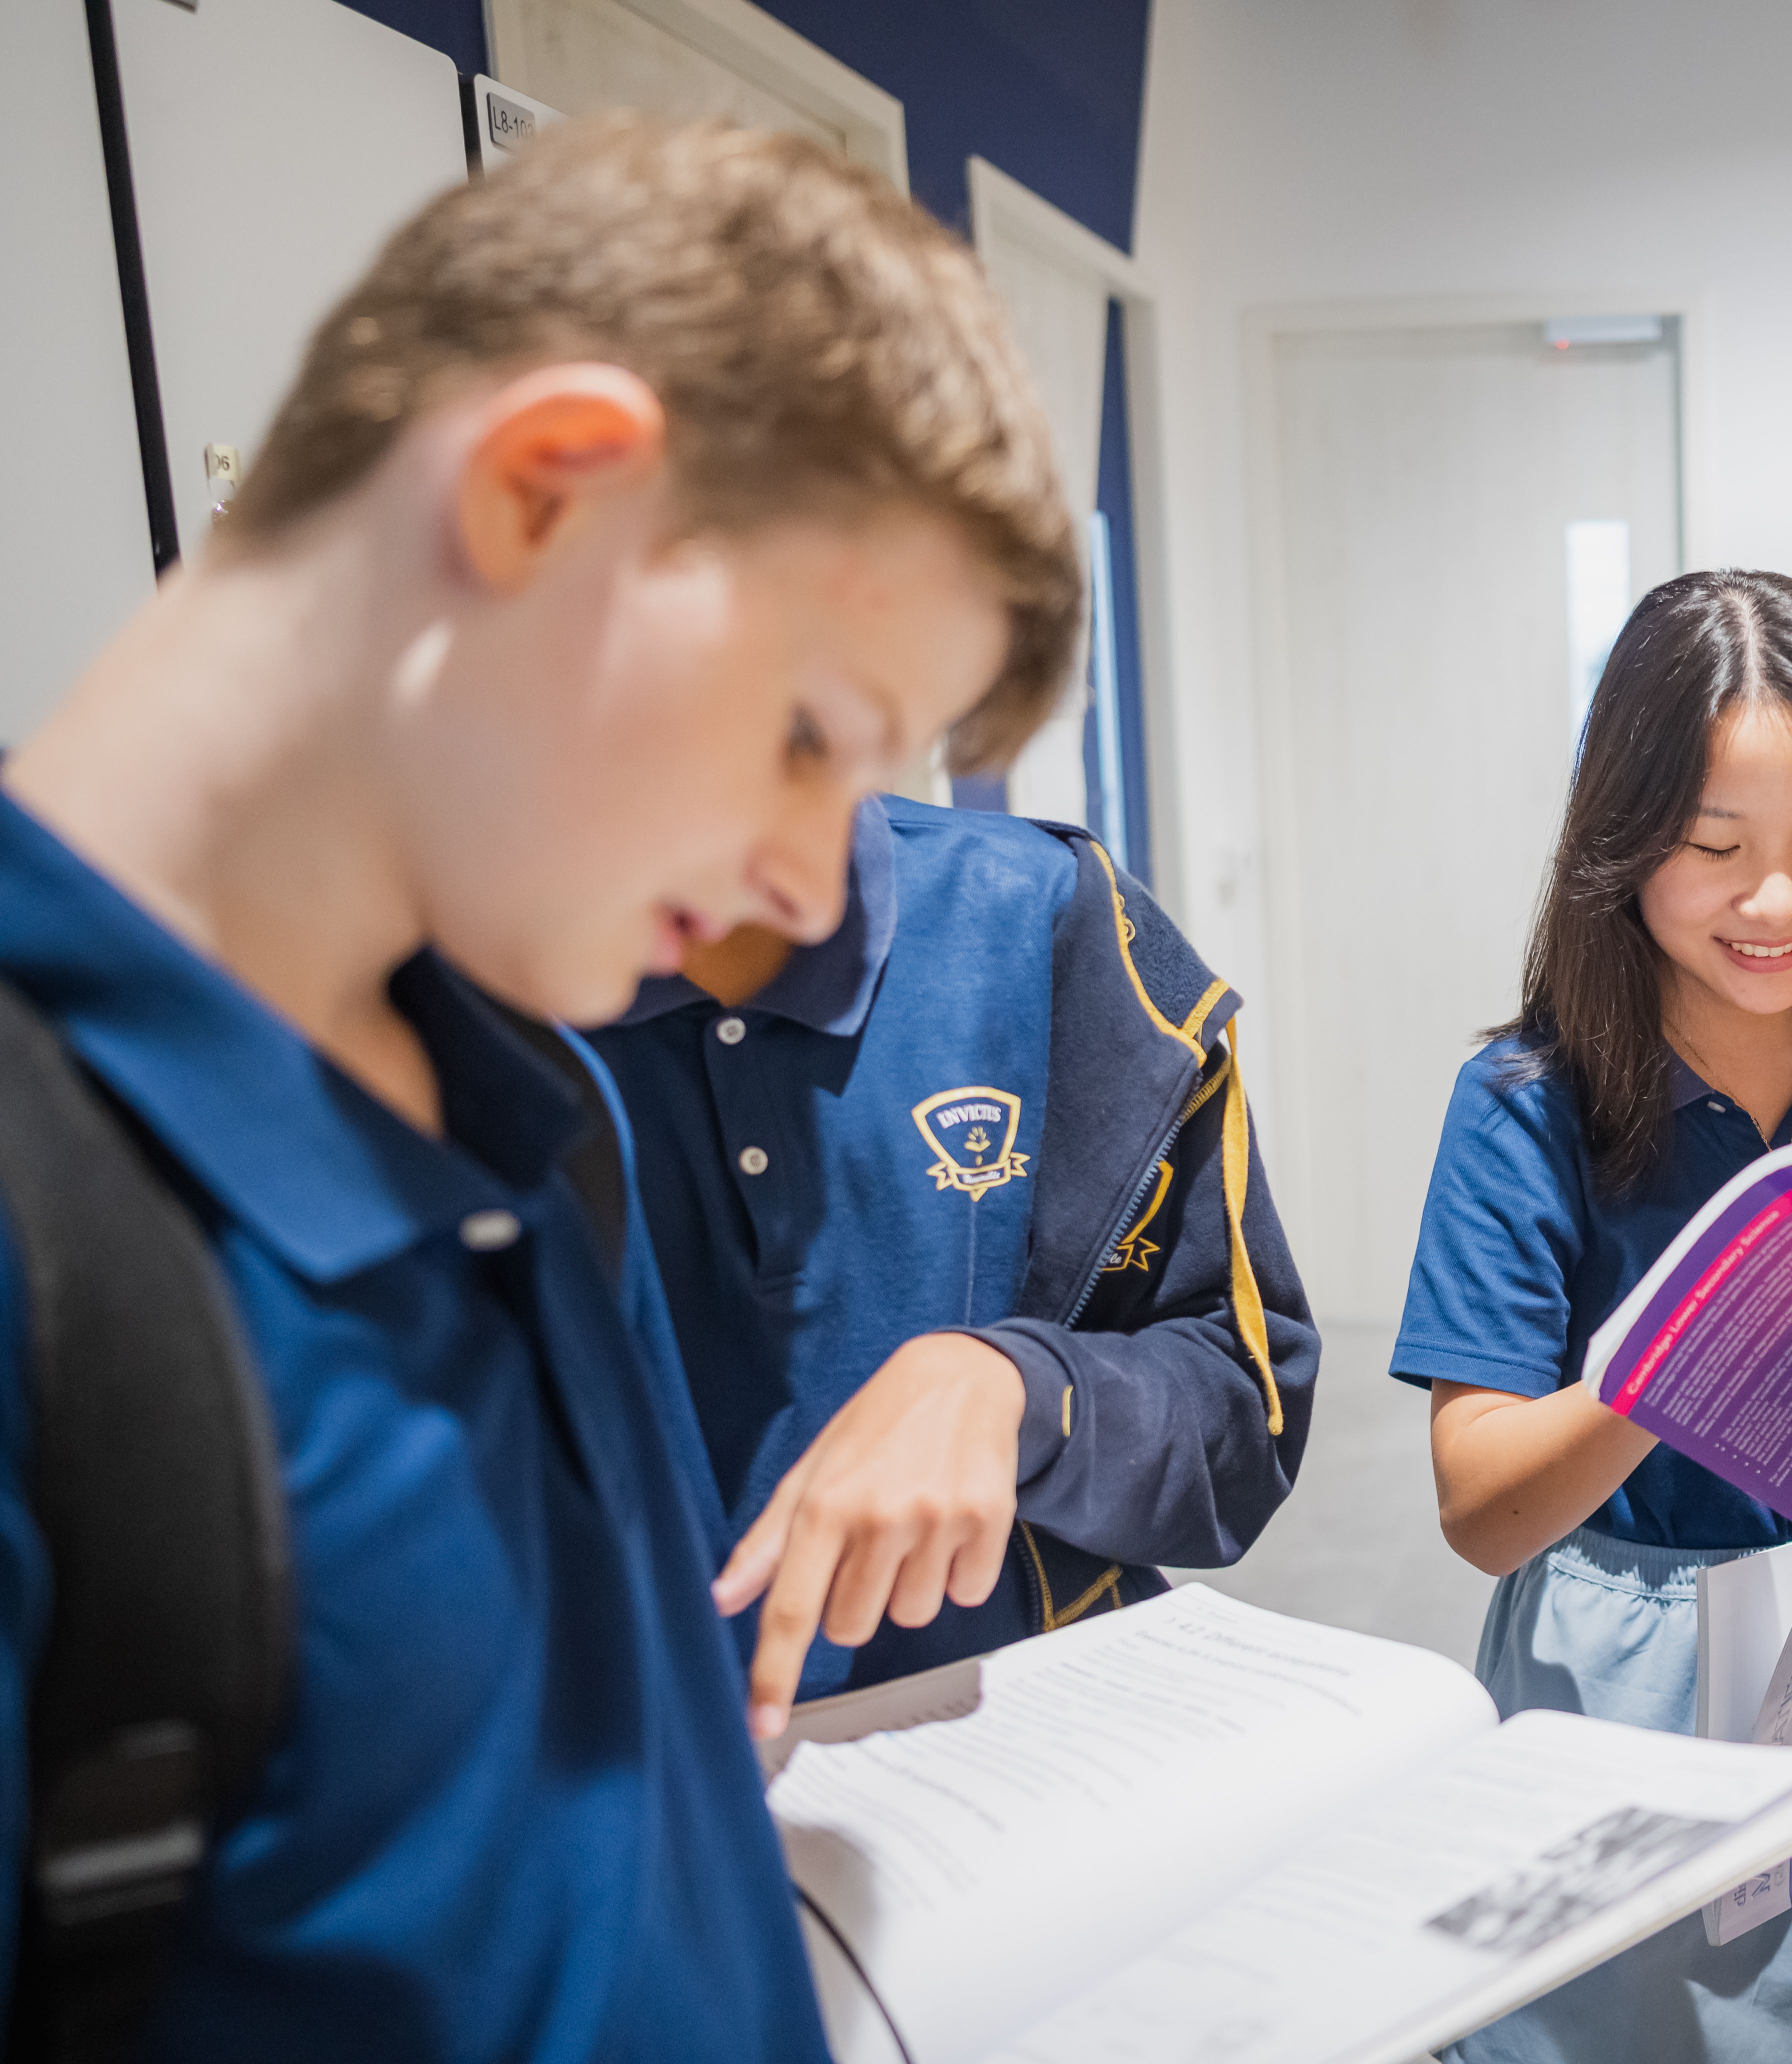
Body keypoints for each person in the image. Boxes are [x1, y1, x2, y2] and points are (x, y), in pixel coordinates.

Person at [0, 117, 1081, 2052]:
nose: (817, 885)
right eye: (809, 734)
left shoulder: (538, 1112)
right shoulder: (48, 1245)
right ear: (545, 491)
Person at [1395, 570, 1792, 2064]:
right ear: (1620, 850)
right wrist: (1677, 1354)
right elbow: (1481, 1508)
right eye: (1716, 849)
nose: (1779, 901)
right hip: (1611, 1672)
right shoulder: (1524, 1110)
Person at [582, 789, 1317, 1738]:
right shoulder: (435, 985)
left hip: (1024, 1747)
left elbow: (1246, 1411)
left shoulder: (1048, 915)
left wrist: (1026, 1392)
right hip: (630, 1790)